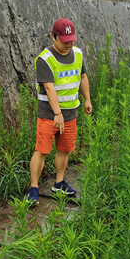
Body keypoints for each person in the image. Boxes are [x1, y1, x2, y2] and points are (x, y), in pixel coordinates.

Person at [27, 18, 92, 205]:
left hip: (71, 113)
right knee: (42, 150)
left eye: (71, 41)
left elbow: (83, 77)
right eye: (64, 41)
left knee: (65, 149)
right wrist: (57, 114)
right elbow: (49, 88)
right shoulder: (45, 59)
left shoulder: (78, 54)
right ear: (54, 36)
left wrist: (87, 99)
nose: (68, 45)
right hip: (49, 114)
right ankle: (34, 188)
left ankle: (59, 182)